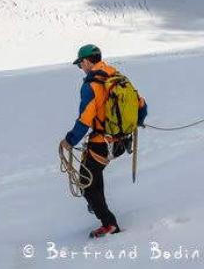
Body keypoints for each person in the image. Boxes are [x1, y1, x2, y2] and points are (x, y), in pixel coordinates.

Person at [59, 44, 146, 238]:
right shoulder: (116, 76)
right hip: (121, 142)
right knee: (93, 177)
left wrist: (69, 141)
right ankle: (98, 208)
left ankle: (109, 224)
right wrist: (133, 124)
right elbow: (141, 104)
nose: (80, 67)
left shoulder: (91, 86)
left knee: (86, 182)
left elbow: (85, 120)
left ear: (88, 61)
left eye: (80, 63)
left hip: (102, 144)